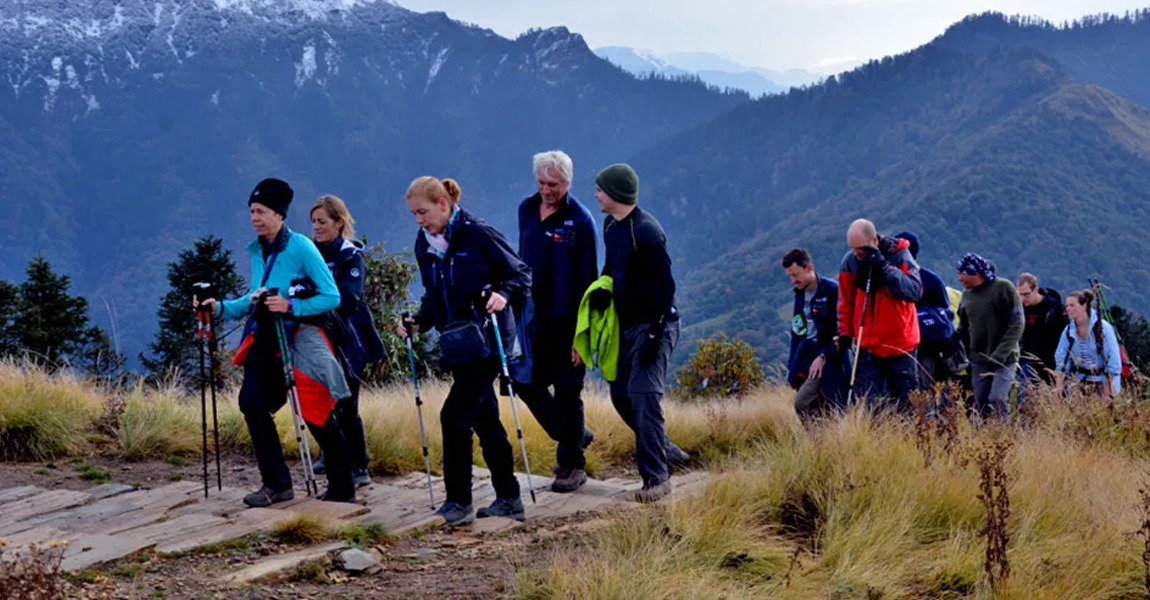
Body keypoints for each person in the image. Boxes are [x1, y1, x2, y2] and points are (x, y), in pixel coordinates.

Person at [196, 178, 355, 507]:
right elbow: (257, 295)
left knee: (316, 413)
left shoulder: (301, 247)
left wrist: (290, 306)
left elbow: (332, 296)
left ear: (279, 214)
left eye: (261, 212)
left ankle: (342, 488)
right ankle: (276, 485)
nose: (254, 218)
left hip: (298, 338)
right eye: (252, 211)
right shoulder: (259, 250)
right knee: (252, 403)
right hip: (266, 336)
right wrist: (221, 308)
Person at [398, 176, 531, 527]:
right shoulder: (424, 243)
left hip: (489, 341)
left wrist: (504, 294)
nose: (419, 220)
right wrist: (418, 322)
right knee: (485, 420)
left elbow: (521, 275)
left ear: (444, 204)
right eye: (414, 214)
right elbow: (434, 295)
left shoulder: (479, 234)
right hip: (457, 343)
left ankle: (458, 502)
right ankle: (509, 497)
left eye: (423, 212)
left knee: (454, 415)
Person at [594, 163, 682, 503]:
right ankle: (664, 448)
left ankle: (657, 479)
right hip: (626, 325)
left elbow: (666, 288)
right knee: (621, 395)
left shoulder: (646, 231)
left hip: (655, 325)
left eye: (600, 189)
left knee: (644, 396)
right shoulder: (611, 226)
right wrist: (604, 288)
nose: (596, 194)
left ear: (615, 193)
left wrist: (654, 337)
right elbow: (612, 266)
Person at [515, 151, 597, 493]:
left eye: (554, 184)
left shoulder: (580, 220)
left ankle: (572, 465)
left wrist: (583, 335)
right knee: (524, 381)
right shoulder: (526, 209)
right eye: (542, 182)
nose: (547, 190)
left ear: (568, 182)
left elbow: (589, 280)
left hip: (568, 319)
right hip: (532, 315)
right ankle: (573, 433)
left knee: (567, 389)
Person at [310, 195, 384, 489]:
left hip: (351, 339)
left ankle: (358, 465)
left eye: (322, 222)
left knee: (347, 404)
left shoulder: (351, 256)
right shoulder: (311, 252)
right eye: (313, 222)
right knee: (322, 400)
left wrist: (312, 301)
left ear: (339, 223)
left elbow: (348, 298)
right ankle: (332, 454)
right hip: (320, 335)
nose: (316, 227)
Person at [836, 219, 922, 411]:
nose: (857, 253)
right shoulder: (850, 262)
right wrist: (845, 333)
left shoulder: (900, 255)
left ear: (874, 240)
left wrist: (885, 268)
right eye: (852, 248)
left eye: (861, 248)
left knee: (907, 407)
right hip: (867, 346)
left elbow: (915, 291)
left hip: (901, 347)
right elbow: (845, 302)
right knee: (869, 407)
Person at [781, 248, 847, 418]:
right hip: (805, 356)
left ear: (809, 268)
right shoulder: (799, 294)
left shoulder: (831, 290)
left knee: (803, 402)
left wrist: (824, 355)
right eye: (790, 276)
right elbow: (797, 331)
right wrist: (792, 365)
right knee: (816, 406)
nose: (793, 280)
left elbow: (842, 328)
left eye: (796, 275)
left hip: (829, 359)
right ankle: (820, 435)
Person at [955, 253, 1024, 417]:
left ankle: (1003, 430)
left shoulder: (1004, 288)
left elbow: (1017, 324)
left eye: (961, 274)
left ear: (974, 273)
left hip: (1005, 359)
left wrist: (1000, 354)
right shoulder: (966, 296)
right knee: (980, 401)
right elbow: (963, 328)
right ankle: (984, 432)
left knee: (997, 399)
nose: (959, 279)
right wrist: (955, 348)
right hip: (978, 360)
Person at [893, 230, 964, 387]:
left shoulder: (900, 280)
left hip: (926, 349)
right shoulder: (932, 280)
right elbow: (946, 314)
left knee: (922, 388)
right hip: (909, 346)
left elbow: (945, 313)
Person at [1054, 289, 1122, 398]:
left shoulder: (1103, 328)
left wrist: (1107, 393)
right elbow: (1061, 361)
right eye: (1067, 306)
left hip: (1103, 383)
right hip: (1080, 385)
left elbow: (1114, 363)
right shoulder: (1068, 331)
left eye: (1072, 305)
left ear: (1084, 306)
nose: (1068, 309)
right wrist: (1059, 388)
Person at [1016, 273, 1066, 391]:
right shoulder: (1019, 309)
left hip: (1053, 359)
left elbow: (1064, 334)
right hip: (1029, 359)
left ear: (1036, 290)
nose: (1023, 298)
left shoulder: (1053, 308)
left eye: (1026, 294)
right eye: (1020, 295)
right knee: (1025, 393)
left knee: (1059, 395)